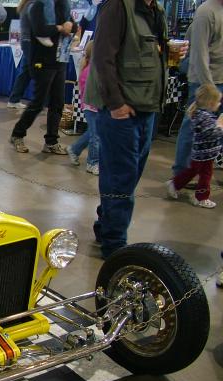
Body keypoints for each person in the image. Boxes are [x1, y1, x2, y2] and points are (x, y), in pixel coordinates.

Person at [84, 0, 183, 259]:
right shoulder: (117, 6)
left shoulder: (155, 10)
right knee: (121, 178)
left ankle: (106, 226)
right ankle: (115, 247)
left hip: (146, 106)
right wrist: (116, 103)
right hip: (121, 111)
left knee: (129, 176)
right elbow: (102, 58)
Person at [9, 0, 76, 155]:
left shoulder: (62, 6)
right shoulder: (38, 5)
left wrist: (70, 26)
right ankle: (17, 134)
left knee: (57, 102)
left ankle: (51, 141)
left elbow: (74, 25)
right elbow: (40, 29)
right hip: (42, 60)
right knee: (38, 102)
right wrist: (60, 28)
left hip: (60, 59)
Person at [171, 0, 223, 177]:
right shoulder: (206, 12)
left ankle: (202, 172)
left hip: (219, 79)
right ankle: (181, 173)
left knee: (214, 130)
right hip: (205, 82)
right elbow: (199, 53)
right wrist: (208, 86)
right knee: (193, 127)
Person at [167, 84, 223, 208]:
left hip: (203, 153)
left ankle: (176, 184)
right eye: (218, 102)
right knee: (204, 175)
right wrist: (220, 128)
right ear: (210, 103)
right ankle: (201, 197)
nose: (219, 104)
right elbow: (211, 133)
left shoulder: (201, 114)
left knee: (193, 171)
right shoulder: (205, 117)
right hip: (204, 154)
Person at [66, 40, 99, 175]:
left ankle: (74, 149)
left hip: (96, 106)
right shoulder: (89, 71)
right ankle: (92, 163)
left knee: (93, 133)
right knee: (96, 135)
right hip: (91, 107)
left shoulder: (95, 69)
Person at [7, 0, 34, 109]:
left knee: (25, 72)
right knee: (32, 72)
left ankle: (14, 99)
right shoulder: (31, 5)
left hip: (26, 41)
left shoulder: (26, 5)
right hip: (30, 42)